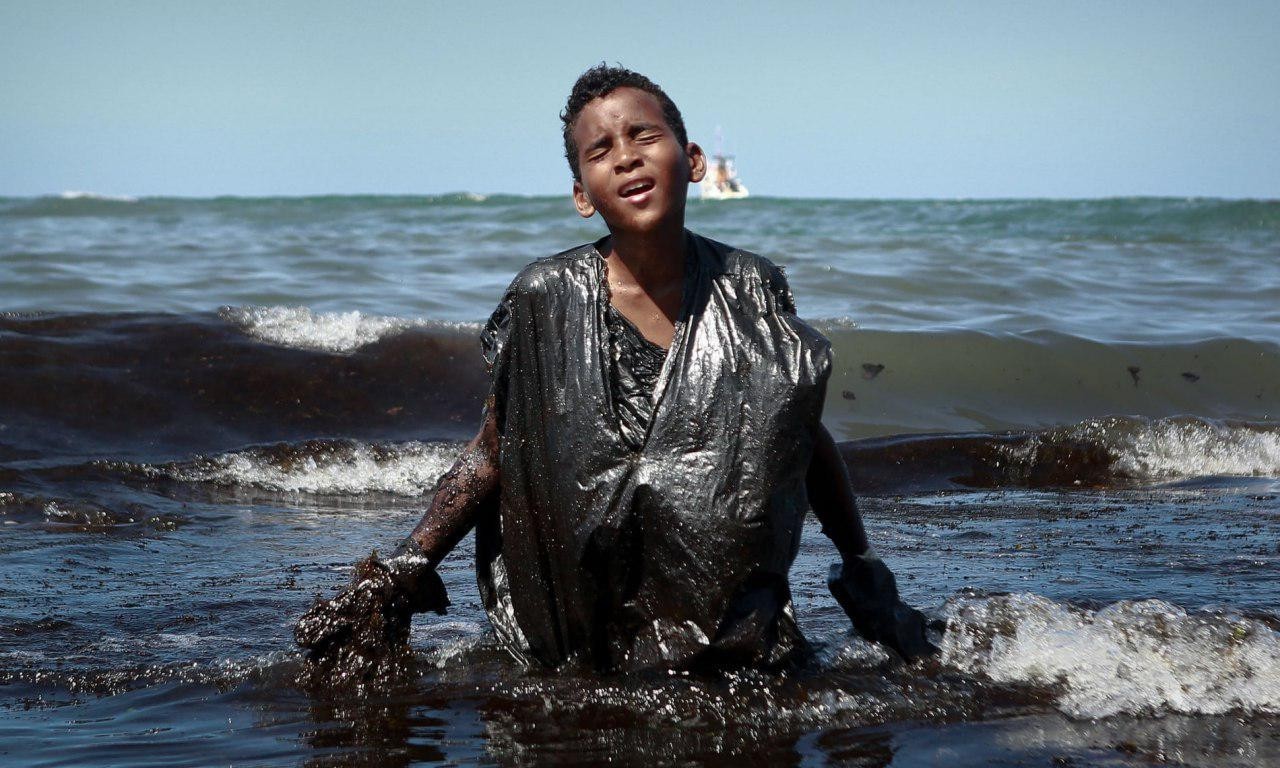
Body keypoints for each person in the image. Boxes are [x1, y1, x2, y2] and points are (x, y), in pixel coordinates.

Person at [296, 65, 938, 675]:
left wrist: (861, 560)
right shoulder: (545, 296)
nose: (625, 155)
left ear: (692, 162)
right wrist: (409, 563)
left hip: (732, 632)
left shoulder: (751, 287)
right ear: (582, 194)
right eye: (599, 150)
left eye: (643, 135)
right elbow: (497, 449)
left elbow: (797, 433)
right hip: (589, 635)